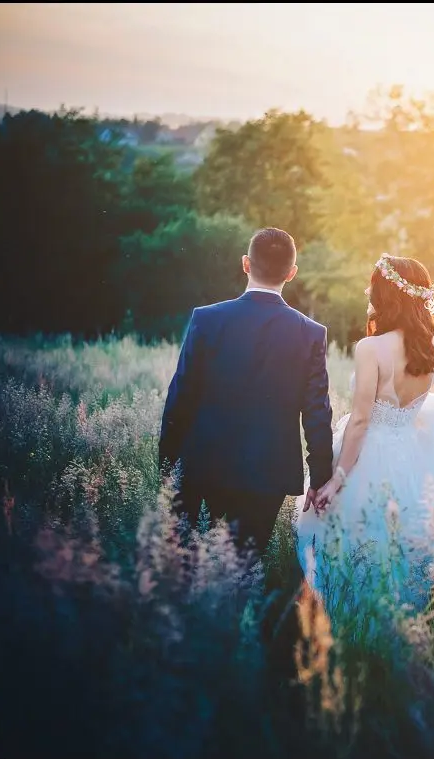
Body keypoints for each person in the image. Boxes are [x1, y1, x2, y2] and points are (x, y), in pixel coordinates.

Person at [157, 227, 334, 677]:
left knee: (192, 566)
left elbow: (180, 398)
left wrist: (167, 468)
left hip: (201, 467)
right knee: (241, 572)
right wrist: (321, 477)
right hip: (266, 475)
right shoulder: (310, 334)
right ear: (292, 273)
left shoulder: (206, 319)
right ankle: (227, 661)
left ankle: (186, 660)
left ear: (245, 264)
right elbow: (318, 414)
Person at [295, 253, 434, 623]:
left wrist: (337, 478)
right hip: (410, 463)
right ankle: (397, 627)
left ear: (386, 295)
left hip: (365, 459)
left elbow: (359, 421)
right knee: (400, 548)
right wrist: (408, 417)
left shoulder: (369, 348)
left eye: (373, 286)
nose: (367, 292)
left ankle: (352, 631)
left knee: (353, 546)